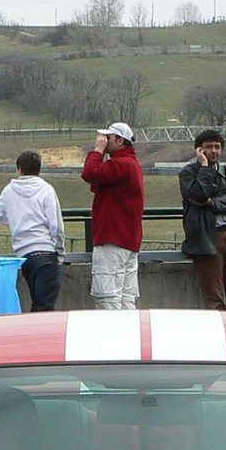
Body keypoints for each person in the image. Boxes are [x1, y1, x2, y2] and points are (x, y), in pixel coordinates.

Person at [179, 129, 226, 310]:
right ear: (198, 150)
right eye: (208, 147)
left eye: (217, 147)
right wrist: (204, 168)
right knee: (214, 298)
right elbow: (198, 194)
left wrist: (211, 203)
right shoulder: (187, 173)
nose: (214, 151)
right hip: (206, 237)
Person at [0, 151, 65, 312]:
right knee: (44, 306)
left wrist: (14, 221)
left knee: (37, 304)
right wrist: (60, 253)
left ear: (19, 168)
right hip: (46, 253)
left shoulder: (9, 190)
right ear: (39, 169)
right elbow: (56, 226)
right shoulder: (46, 189)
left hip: (24, 255)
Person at [80, 122, 144, 310]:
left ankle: (112, 337)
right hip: (128, 240)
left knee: (107, 297)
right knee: (126, 299)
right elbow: (97, 182)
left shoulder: (120, 164)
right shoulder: (131, 164)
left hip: (112, 239)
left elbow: (89, 173)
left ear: (119, 140)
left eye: (108, 138)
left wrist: (97, 151)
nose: (103, 141)